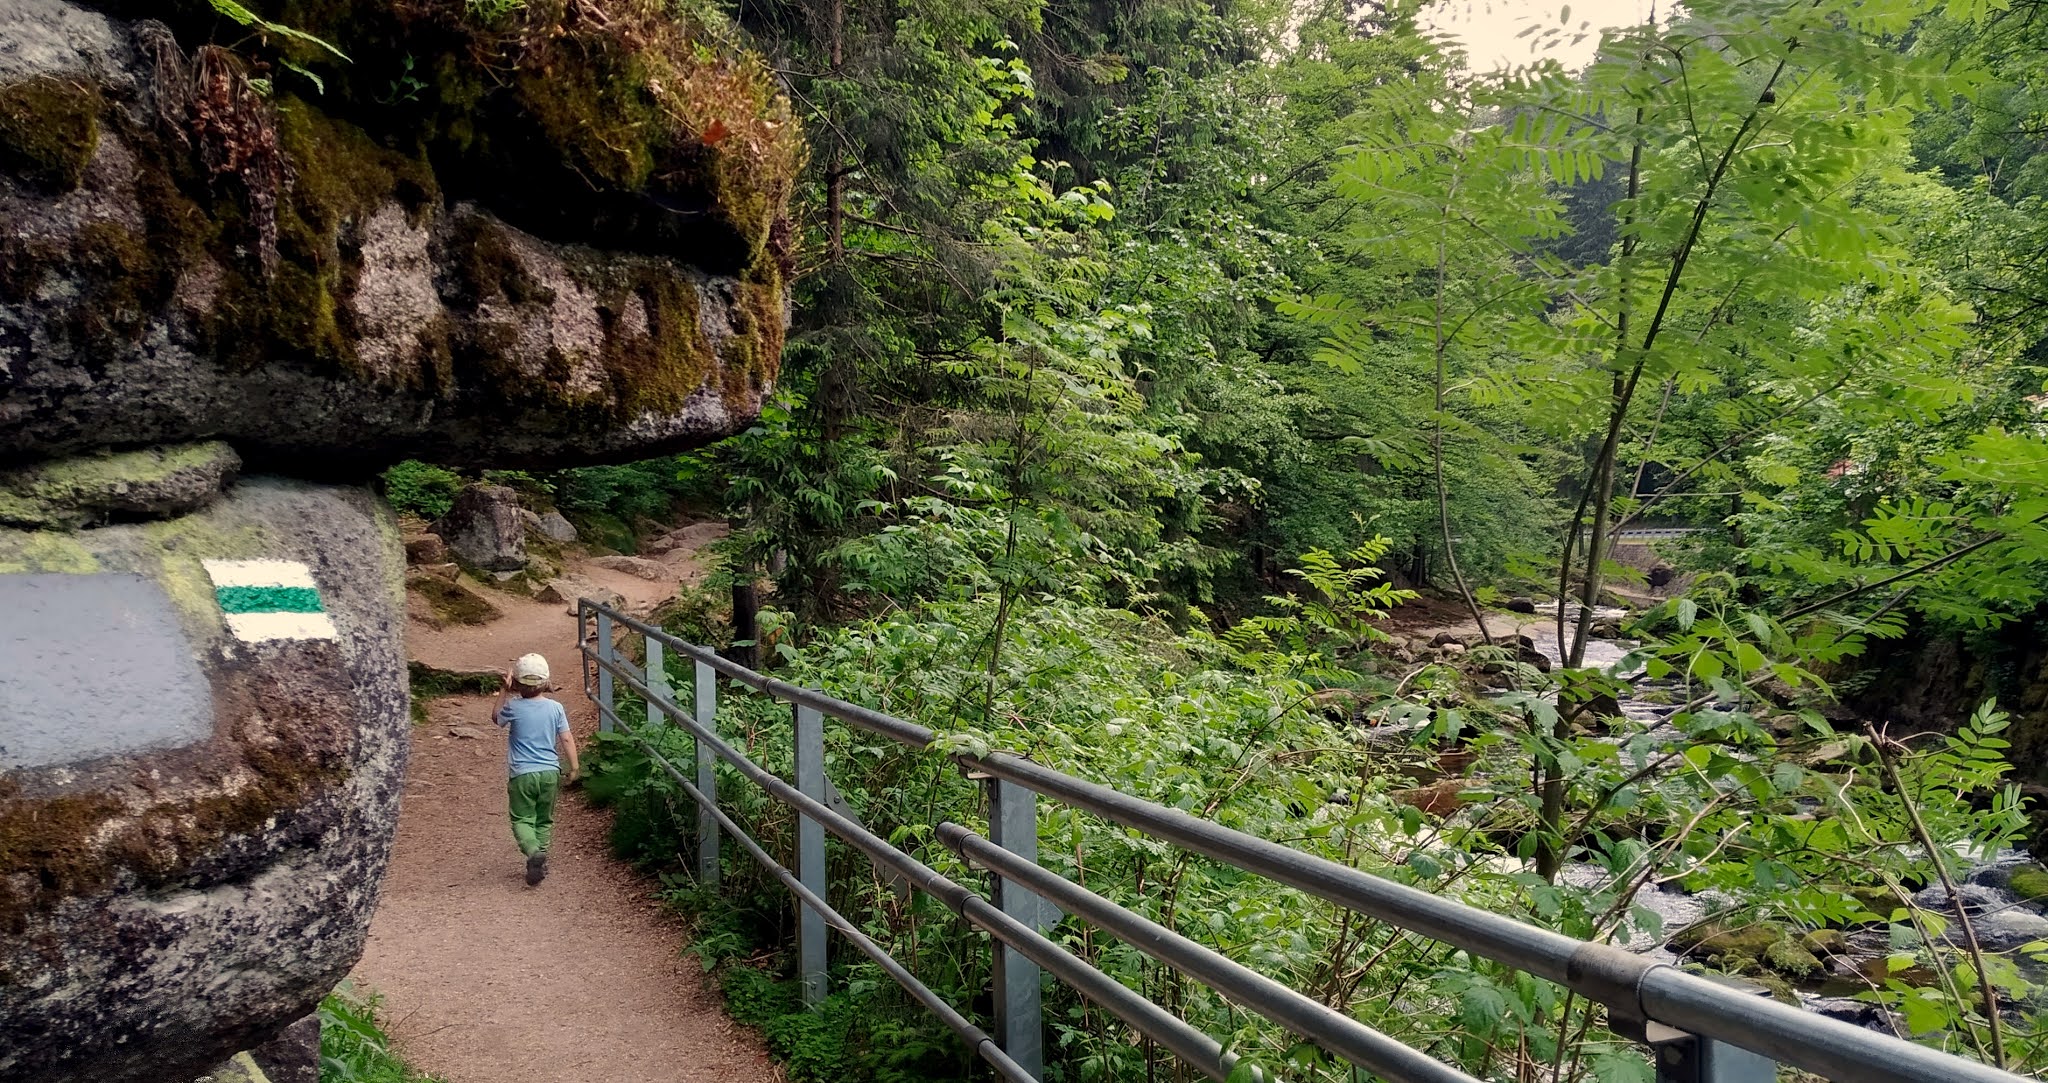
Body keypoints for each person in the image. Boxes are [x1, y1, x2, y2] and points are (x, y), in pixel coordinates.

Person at [493, 653, 580, 886]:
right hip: (550, 772)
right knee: (544, 819)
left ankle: (533, 852)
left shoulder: (513, 707)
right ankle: (541, 858)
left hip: (522, 774)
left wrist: (503, 690)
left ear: (517, 684)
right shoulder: (555, 708)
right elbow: (567, 739)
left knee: (522, 818)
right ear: (546, 682)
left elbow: (496, 718)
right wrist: (574, 766)